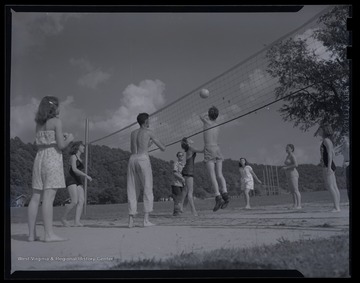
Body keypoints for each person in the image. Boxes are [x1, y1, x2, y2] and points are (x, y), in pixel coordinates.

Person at [28, 96, 74, 242]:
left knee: (35, 197)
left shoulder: (38, 124)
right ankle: (49, 235)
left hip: (39, 158)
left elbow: (41, 142)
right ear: (54, 107)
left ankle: (31, 235)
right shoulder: (56, 122)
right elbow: (61, 146)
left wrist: (59, 138)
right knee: (48, 197)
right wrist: (69, 139)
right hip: (52, 159)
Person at [127, 113, 166, 228]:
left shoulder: (133, 133)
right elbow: (163, 148)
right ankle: (146, 220)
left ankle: (130, 220)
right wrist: (162, 144)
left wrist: (147, 145)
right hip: (143, 159)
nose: (149, 122)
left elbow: (134, 149)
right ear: (145, 122)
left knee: (132, 189)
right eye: (149, 120)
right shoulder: (149, 132)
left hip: (132, 159)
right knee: (147, 188)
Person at [200, 106, 229, 212]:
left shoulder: (206, 122)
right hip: (217, 148)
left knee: (212, 176)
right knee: (220, 175)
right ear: (217, 115)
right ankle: (225, 194)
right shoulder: (218, 125)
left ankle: (218, 197)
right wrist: (212, 113)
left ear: (208, 114)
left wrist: (207, 113)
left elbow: (200, 115)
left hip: (209, 148)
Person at [61, 141, 92, 227]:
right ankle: (63, 218)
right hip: (71, 179)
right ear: (78, 147)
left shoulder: (80, 158)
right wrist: (86, 175)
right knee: (74, 201)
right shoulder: (73, 157)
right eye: (83, 146)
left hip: (78, 180)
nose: (84, 148)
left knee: (81, 201)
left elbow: (78, 171)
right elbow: (74, 169)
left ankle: (77, 221)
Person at [315, 123, 341, 212]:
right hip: (328, 164)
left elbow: (330, 153)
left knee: (330, 186)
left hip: (328, 165)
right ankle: (337, 206)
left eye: (320, 129)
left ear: (324, 130)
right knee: (334, 186)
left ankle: (336, 207)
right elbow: (332, 153)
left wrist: (329, 166)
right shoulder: (328, 140)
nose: (319, 131)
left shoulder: (326, 140)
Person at [180, 137, 204, 216]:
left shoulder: (188, 149)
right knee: (190, 191)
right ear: (187, 142)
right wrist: (210, 145)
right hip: (189, 171)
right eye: (189, 139)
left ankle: (182, 206)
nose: (191, 139)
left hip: (186, 170)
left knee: (186, 189)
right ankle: (193, 211)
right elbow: (202, 151)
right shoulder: (191, 148)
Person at [280, 144, 302, 209]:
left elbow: (296, 164)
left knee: (296, 190)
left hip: (293, 174)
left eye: (288, 148)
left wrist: (286, 168)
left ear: (292, 149)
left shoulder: (292, 155)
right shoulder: (287, 156)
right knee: (292, 191)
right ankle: (294, 204)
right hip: (288, 175)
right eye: (286, 148)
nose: (286, 149)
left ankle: (299, 205)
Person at [336, 134, 350, 204]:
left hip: (348, 164)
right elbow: (345, 157)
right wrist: (343, 166)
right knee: (348, 184)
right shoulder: (343, 147)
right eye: (341, 138)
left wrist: (348, 163)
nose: (342, 139)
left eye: (343, 137)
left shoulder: (347, 145)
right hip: (346, 165)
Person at [171, 151, 186, 216]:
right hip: (176, 183)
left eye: (182, 155)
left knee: (181, 198)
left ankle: (179, 210)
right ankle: (176, 212)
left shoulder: (184, 164)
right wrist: (182, 178)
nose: (181, 157)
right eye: (180, 155)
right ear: (177, 157)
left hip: (182, 184)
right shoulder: (176, 164)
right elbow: (175, 173)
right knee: (177, 198)